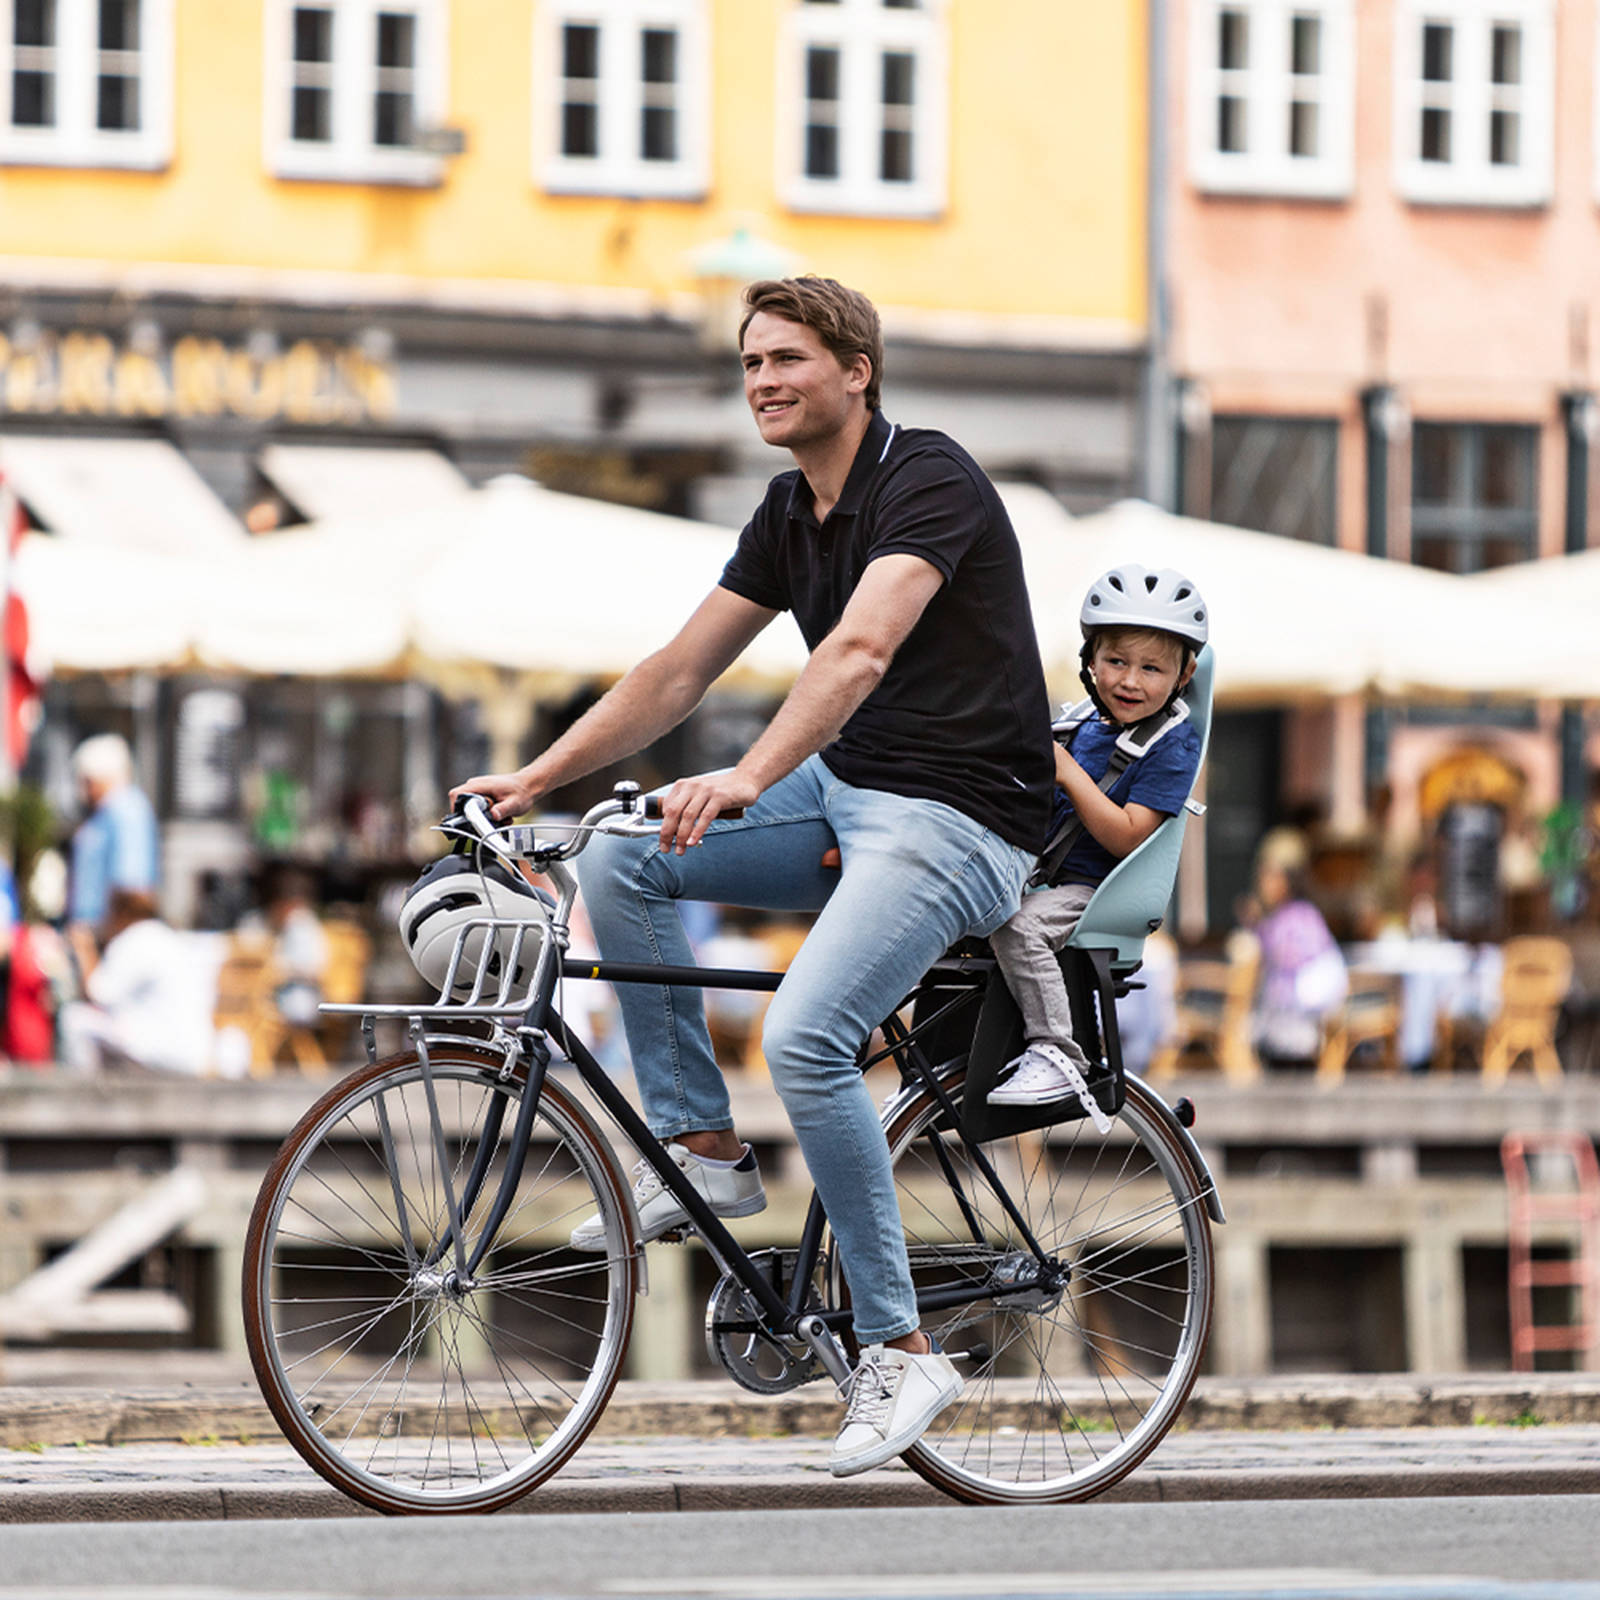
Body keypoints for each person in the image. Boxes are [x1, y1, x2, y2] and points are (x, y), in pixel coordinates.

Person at [454, 275, 1055, 1478]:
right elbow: (677, 669)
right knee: (623, 859)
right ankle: (704, 1155)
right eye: (748, 365)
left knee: (807, 1037)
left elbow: (860, 648)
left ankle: (899, 1346)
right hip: (846, 798)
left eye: (786, 358)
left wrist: (744, 773)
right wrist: (533, 778)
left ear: (855, 370)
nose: (763, 382)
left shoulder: (927, 478)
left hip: (960, 821)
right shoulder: (788, 511)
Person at [985, 566, 1207, 1110]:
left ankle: (1059, 1053)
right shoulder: (1079, 724)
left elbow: (1129, 837)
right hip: (1040, 876)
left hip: (1097, 889)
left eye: (1151, 668)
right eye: (1115, 662)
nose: (1130, 681)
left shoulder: (1171, 745)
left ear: (1184, 674)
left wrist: (1066, 773)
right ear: (1090, 663)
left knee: (1018, 927)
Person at [56, 888, 216, 1076]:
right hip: (194, 1054)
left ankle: (83, 1095)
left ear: (120, 913)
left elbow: (97, 993)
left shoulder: (134, 938)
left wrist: (84, 946)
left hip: (161, 1050)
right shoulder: (169, 937)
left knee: (73, 1019)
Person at [66, 733, 159, 982]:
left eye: (87, 781)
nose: (83, 790)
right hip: (96, 938)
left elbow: (131, 885)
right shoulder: (107, 813)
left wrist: (101, 942)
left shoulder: (128, 810)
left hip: (109, 940)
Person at [1247, 839, 1348, 1069]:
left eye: (1272, 876)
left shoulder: (1301, 918)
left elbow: (1289, 962)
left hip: (1298, 1025)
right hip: (1277, 1024)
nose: (1264, 883)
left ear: (1288, 879)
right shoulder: (1275, 918)